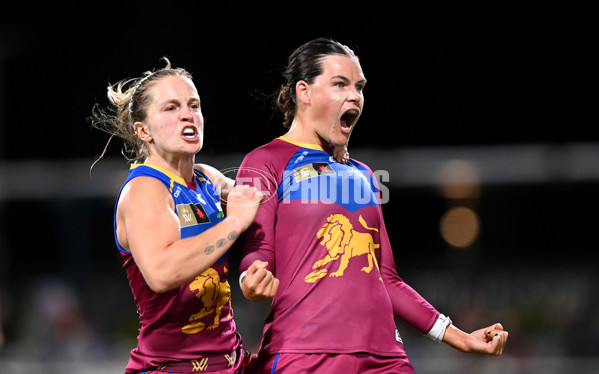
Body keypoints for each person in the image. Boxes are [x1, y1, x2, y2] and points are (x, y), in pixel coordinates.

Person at [235, 38, 509, 373]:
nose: (354, 96)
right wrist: (251, 274)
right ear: (304, 92)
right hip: (305, 354)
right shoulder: (264, 161)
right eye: (340, 84)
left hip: (385, 358)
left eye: (359, 87)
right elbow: (257, 247)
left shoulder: (364, 175)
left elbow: (385, 277)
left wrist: (458, 337)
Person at [91, 58, 264, 374]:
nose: (188, 114)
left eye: (193, 105)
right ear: (143, 130)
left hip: (231, 362)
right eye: (171, 108)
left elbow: (263, 201)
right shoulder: (145, 190)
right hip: (173, 367)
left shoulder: (208, 178)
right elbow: (162, 274)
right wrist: (234, 223)